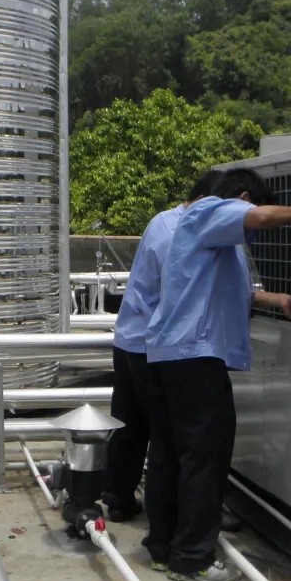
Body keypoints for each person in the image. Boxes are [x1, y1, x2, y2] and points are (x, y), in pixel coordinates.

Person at [142, 168, 291, 581]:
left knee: (171, 453)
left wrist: (279, 299)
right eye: (249, 210)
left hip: (173, 355)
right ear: (242, 199)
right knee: (205, 457)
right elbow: (261, 217)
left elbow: (232, 291)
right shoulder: (211, 211)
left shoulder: (207, 233)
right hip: (195, 358)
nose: (250, 227)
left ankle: (164, 548)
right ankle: (193, 559)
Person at [100, 174, 212, 520]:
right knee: (165, 433)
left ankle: (117, 498)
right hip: (153, 345)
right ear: (205, 199)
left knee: (128, 424)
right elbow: (179, 292)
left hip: (129, 338)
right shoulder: (183, 230)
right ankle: (168, 512)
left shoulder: (162, 221)